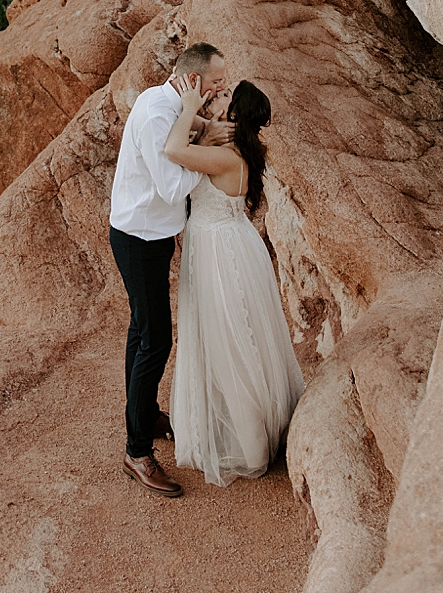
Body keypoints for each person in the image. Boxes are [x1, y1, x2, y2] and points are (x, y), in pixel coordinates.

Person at [162, 77, 305, 485]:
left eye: (226, 96)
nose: (218, 95)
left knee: (230, 345)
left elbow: (173, 150)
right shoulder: (238, 150)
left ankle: (254, 448)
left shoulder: (225, 157)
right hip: (235, 243)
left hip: (217, 252)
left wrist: (190, 106)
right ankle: (256, 429)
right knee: (247, 338)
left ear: (234, 115)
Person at [109, 42, 231, 497]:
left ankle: (144, 416)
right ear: (194, 81)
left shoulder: (164, 101)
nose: (220, 87)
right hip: (140, 238)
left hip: (149, 235)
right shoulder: (157, 114)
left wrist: (202, 126)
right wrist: (209, 153)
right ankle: (137, 452)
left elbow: (189, 127)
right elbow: (172, 188)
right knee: (156, 339)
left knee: (141, 329)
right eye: (216, 81)